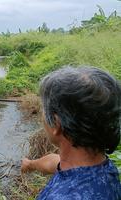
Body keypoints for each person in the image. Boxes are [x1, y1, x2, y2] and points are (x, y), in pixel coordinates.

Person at [21, 66, 121, 200]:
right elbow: (56, 163)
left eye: (44, 109)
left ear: (56, 124)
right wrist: (31, 164)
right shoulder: (102, 168)